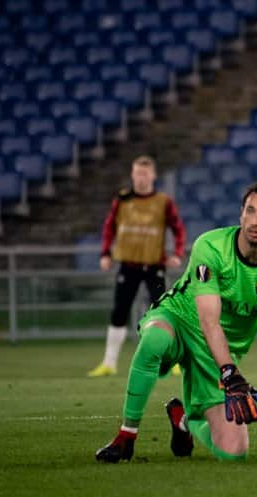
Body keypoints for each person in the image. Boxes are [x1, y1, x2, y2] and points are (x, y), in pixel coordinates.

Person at [95, 180, 257, 462]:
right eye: (250, 211)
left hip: (220, 348)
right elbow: (208, 321)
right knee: (155, 339)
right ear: (241, 212)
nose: (255, 220)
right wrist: (231, 374)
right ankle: (126, 436)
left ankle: (185, 419)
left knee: (235, 453)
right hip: (180, 319)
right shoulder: (211, 246)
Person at [89, 155, 187, 377]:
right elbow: (109, 227)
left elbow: (178, 228)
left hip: (154, 265)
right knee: (119, 312)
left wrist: (178, 253)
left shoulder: (163, 202)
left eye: (145, 173)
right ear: (132, 175)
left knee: (164, 313)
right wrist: (105, 253)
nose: (141, 178)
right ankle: (109, 362)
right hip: (128, 264)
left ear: (153, 175)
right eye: (137, 173)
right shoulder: (122, 200)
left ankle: (174, 361)